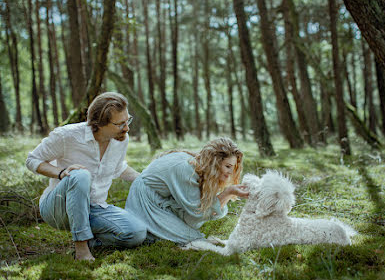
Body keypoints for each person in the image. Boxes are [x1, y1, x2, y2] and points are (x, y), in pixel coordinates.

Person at [26, 92, 146, 261]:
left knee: (137, 233)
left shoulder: (121, 140)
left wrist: (146, 179)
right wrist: (61, 173)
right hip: (57, 207)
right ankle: (81, 249)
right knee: (81, 175)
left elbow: (118, 168)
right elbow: (32, 160)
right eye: (120, 124)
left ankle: (91, 242)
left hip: (94, 208)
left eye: (128, 120)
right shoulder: (67, 135)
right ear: (99, 124)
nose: (126, 128)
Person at [125, 137, 249, 244]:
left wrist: (228, 193)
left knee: (191, 230)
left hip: (161, 198)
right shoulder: (186, 170)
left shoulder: (199, 166)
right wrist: (228, 192)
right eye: (228, 166)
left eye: (233, 167)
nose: (231, 172)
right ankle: (148, 229)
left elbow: (197, 215)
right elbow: (198, 211)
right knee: (193, 239)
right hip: (145, 200)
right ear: (215, 163)